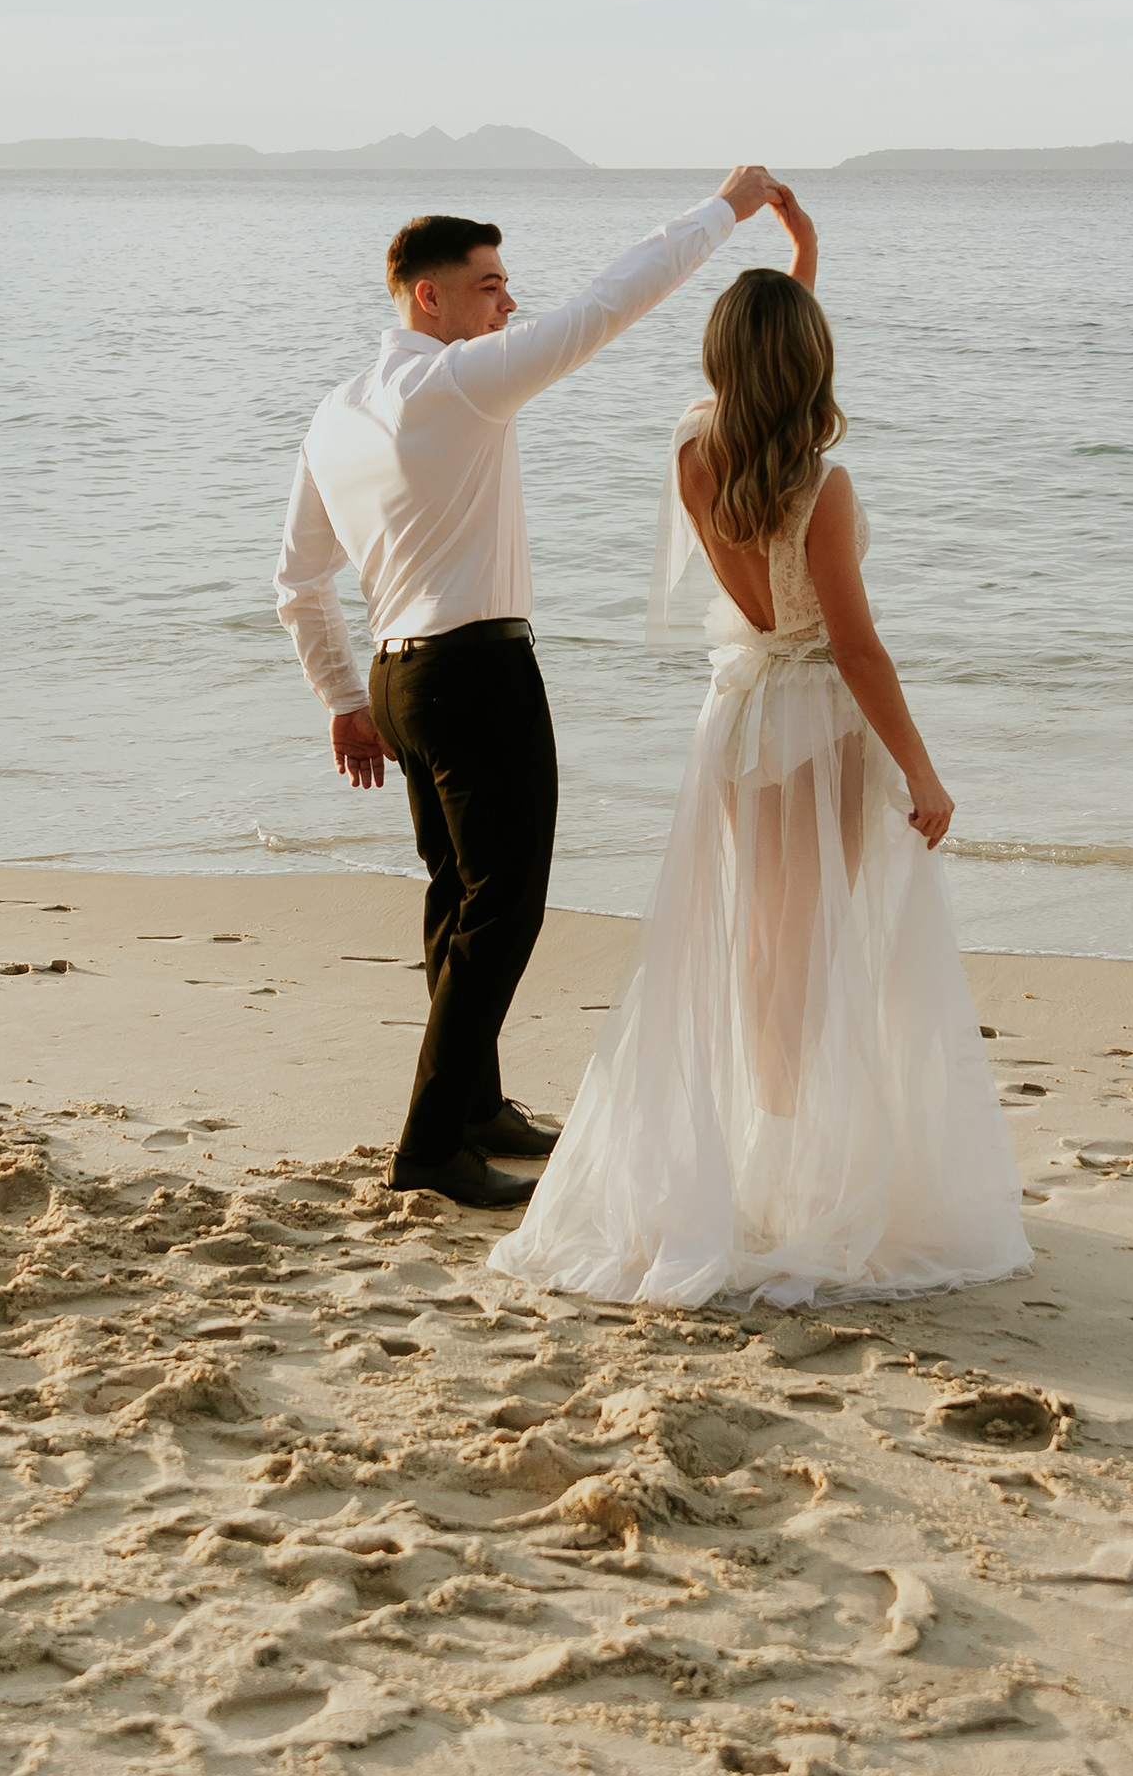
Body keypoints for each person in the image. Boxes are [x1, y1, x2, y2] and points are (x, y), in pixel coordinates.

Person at [491, 193, 1032, 1308]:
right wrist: (923, 772)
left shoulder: (696, 448)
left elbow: (765, 363)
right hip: (817, 721)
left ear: (723, 360)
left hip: (737, 721)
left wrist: (800, 250)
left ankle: (757, 1143)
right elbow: (857, 649)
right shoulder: (821, 487)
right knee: (813, 948)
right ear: (813, 360)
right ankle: (793, 1159)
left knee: (760, 943)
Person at [275, 167, 783, 1209]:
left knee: (456, 900)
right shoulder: (459, 382)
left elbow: (299, 581)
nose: (510, 302)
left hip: (401, 679)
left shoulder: (337, 412)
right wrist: (725, 210)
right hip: (475, 672)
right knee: (502, 912)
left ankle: (474, 1109)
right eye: (491, 285)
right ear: (429, 296)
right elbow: (609, 303)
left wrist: (344, 698)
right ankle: (430, 1147)